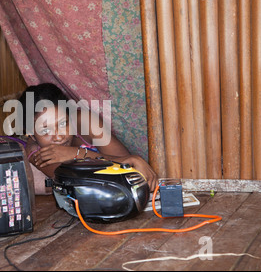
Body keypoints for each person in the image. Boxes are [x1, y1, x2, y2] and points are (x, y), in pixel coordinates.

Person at [17, 83, 158, 193]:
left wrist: (76, 154)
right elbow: (80, 181)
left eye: (62, 123)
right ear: (31, 133)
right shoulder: (36, 151)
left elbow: (128, 165)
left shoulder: (85, 121)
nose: (58, 136)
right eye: (45, 130)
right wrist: (78, 153)